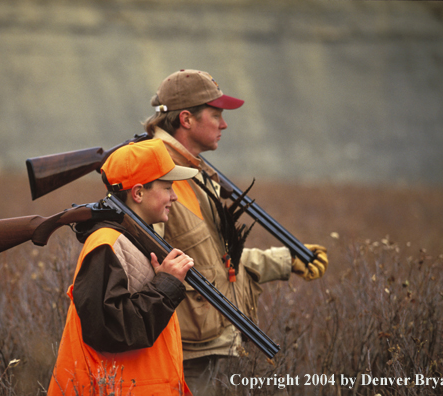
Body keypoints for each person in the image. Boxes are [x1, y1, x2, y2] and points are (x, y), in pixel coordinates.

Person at [143, 69, 329, 395]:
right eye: (216, 115)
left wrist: (285, 261)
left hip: (206, 342)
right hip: (182, 350)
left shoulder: (195, 173)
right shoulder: (158, 174)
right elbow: (147, 267)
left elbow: (213, 261)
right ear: (186, 119)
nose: (224, 124)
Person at [47, 139, 199, 396]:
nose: (174, 196)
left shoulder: (134, 239)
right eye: (167, 187)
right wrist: (165, 285)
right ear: (138, 193)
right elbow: (108, 328)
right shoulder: (106, 243)